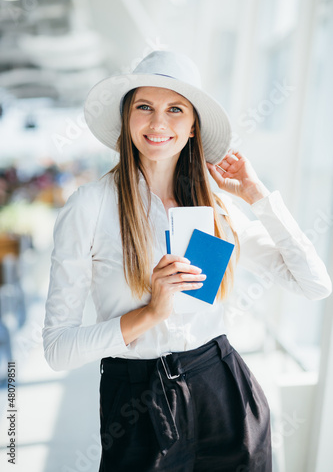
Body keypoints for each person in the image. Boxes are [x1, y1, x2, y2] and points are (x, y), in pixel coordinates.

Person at [42, 51, 331, 472]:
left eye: (175, 109)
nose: (159, 123)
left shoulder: (216, 209)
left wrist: (259, 198)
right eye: (145, 107)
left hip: (223, 388)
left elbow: (314, 284)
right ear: (127, 118)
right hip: (138, 404)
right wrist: (151, 313)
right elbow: (56, 350)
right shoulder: (90, 207)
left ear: (193, 126)